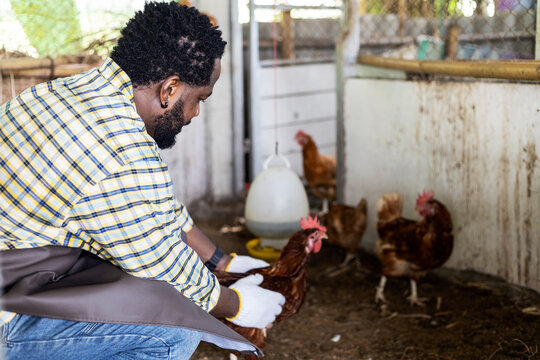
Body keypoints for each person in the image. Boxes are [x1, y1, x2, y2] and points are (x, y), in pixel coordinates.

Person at [0, 2, 285, 359]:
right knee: (174, 329)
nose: (196, 113)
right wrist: (237, 304)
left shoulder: (66, 92)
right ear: (170, 89)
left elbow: (157, 211)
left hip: (20, 273)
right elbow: (162, 266)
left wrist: (221, 263)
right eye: (199, 99)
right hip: (10, 315)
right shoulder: (120, 147)